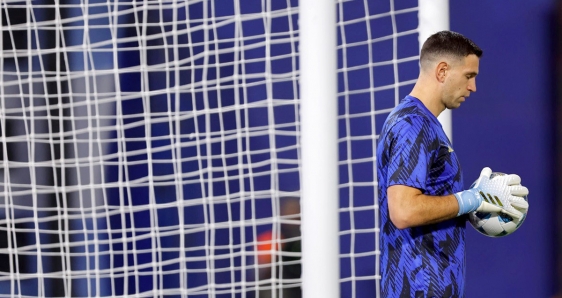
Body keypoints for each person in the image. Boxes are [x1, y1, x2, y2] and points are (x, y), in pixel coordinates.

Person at [376, 30, 529, 297]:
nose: (473, 87)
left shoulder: (422, 123)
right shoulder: (412, 125)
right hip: (420, 289)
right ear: (443, 71)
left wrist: (469, 202)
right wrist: (470, 200)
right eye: (469, 76)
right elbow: (403, 211)